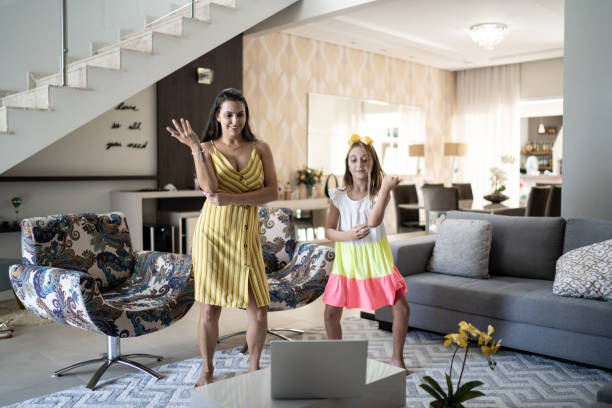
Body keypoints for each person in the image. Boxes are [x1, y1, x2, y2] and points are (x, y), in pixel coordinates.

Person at [166, 88, 278, 386]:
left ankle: (255, 369)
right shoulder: (207, 147)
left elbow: (272, 191)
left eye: (240, 114)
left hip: (247, 236)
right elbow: (210, 189)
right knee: (210, 308)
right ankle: (207, 369)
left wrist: (232, 198)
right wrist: (194, 147)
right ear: (218, 116)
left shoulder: (261, 148)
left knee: (258, 308)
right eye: (228, 114)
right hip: (213, 235)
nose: (235, 120)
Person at [322, 133, 411, 373]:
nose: (359, 164)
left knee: (401, 308)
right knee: (330, 313)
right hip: (348, 260)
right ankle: (336, 359)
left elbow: (373, 221)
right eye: (354, 160)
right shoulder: (338, 195)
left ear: (372, 163)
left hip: (375, 258)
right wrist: (347, 235)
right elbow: (329, 231)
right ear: (347, 164)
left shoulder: (380, 192)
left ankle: (397, 360)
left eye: (364, 159)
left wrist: (385, 189)